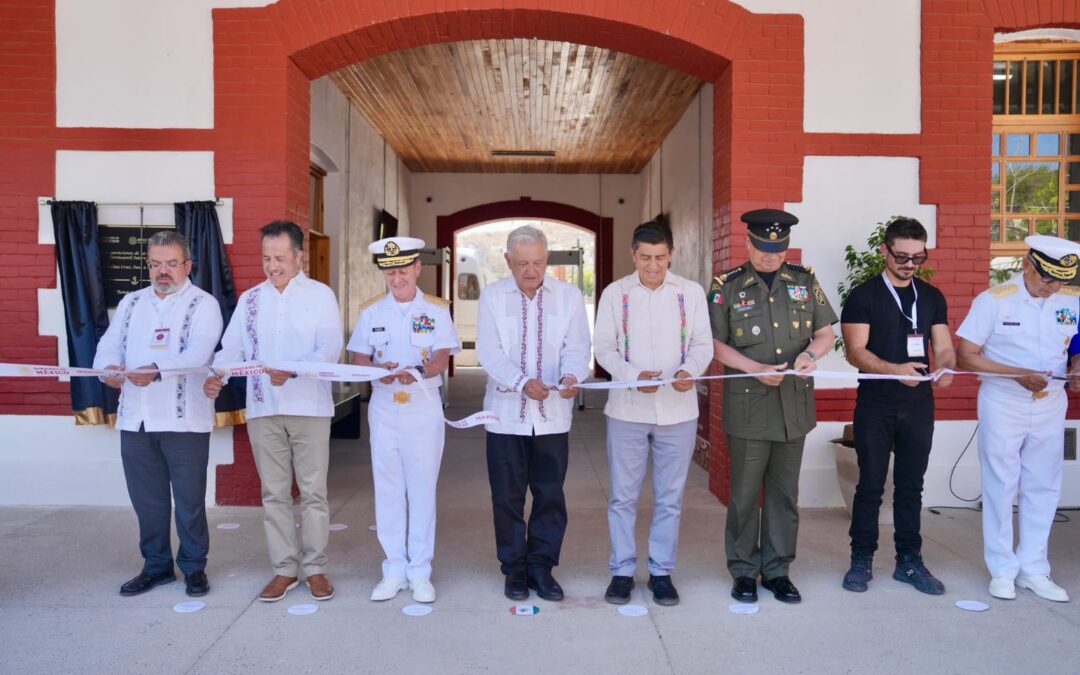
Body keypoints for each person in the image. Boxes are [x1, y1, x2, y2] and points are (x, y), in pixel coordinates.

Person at [203, 220, 343, 603]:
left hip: (309, 407)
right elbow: (231, 349)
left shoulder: (320, 296)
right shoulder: (250, 300)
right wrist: (218, 374)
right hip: (264, 408)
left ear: (300, 257)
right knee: (274, 494)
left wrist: (294, 370)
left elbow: (329, 350)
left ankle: (316, 568)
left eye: (280, 257)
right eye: (266, 257)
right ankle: (284, 569)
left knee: (314, 492)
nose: (272, 265)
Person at [709, 208, 837, 604]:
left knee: (784, 495)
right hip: (748, 407)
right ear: (748, 243)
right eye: (764, 247)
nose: (771, 255)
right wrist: (753, 368)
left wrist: (810, 358)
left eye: (778, 248)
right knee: (745, 495)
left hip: (792, 408)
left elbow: (825, 334)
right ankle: (744, 571)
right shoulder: (725, 286)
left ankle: (778, 570)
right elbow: (713, 343)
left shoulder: (804, 280)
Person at [93, 231, 222, 598]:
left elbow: (198, 354)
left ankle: (194, 568)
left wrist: (154, 368)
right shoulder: (132, 302)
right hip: (136, 419)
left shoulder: (203, 304)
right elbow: (107, 345)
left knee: (189, 501)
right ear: (147, 265)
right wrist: (109, 369)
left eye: (171, 263)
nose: (163, 271)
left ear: (188, 265)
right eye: (155, 264)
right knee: (147, 502)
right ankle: (156, 567)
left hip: (183, 421)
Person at [592, 218, 712, 606]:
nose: (653, 266)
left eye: (661, 257)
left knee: (670, 497)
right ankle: (622, 571)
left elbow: (702, 344)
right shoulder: (615, 293)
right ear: (633, 254)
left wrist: (689, 371)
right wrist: (629, 376)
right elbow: (604, 347)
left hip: (678, 411)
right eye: (645, 258)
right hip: (627, 410)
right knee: (623, 497)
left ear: (672, 254)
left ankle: (661, 571)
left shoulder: (690, 293)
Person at [956, 234, 1080, 603]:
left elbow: (1075, 348)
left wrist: (1075, 370)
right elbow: (966, 356)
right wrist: (1015, 374)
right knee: (1001, 484)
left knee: (1043, 485)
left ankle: (1034, 569)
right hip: (1004, 400)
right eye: (1047, 278)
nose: (1053, 287)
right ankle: (1002, 569)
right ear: (1028, 264)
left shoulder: (1072, 302)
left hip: (1051, 402)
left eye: (1061, 280)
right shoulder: (994, 301)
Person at [839, 217, 955, 595]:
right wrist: (894, 370)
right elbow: (856, 353)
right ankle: (861, 559)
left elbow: (944, 347)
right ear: (884, 252)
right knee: (870, 485)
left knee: (911, 486)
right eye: (902, 256)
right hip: (876, 403)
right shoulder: (863, 296)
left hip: (919, 403)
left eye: (917, 257)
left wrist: (948, 368)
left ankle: (909, 561)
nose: (909, 264)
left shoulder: (932, 297)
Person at [476, 224, 591, 601]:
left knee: (549, 494)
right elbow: (489, 353)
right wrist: (523, 381)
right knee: (506, 497)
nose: (531, 270)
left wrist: (574, 375)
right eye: (523, 263)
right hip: (505, 416)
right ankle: (514, 570)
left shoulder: (570, 297)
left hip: (552, 418)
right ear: (508, 261)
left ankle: (541, 567)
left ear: (547, 260)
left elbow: (577, 347)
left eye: (538, 262)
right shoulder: (492, 297)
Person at [347, 236, 460, 603]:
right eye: (389, 271)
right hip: (383, 406)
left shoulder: (437, 310)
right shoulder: (371, 311)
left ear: (417, 269)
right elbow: (358, 358)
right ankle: (394, 568)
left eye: (402, 270)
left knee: (422, 488)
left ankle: (421, 571)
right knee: (389, 489)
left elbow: (443, 355)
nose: (396, 278)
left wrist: (423, 371)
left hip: (422, 405)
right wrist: (376, 372)